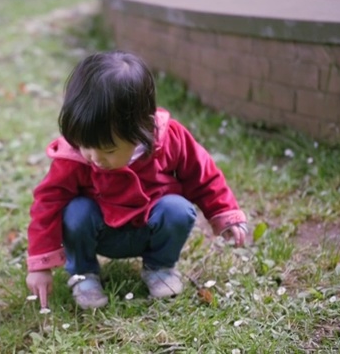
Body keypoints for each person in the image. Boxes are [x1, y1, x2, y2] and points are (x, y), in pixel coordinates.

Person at [25, 51, 248, 310]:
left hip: (148, 227)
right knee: (76, 211)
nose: (94, 158)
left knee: (178, 209)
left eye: (108, 150)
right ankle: (84, 274)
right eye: (86, 145)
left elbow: (203, 174)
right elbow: (47, 202)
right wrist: (40, 263)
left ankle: (159, 267)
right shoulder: (75, 158)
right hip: (100, 231)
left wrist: (224, 213)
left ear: (140, 131)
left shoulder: (170, 140)